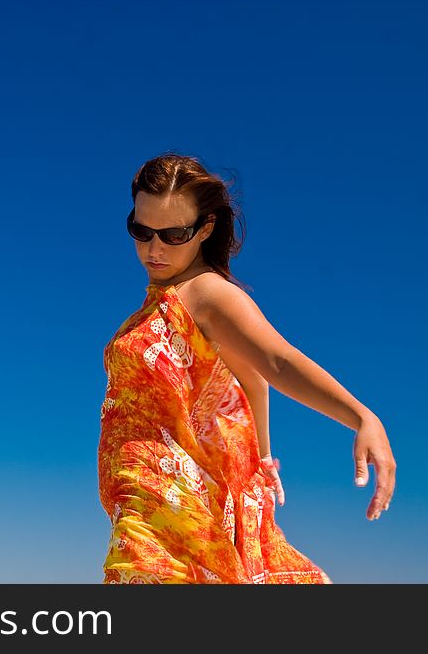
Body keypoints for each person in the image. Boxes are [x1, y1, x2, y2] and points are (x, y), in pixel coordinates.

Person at [97, 153, 396, 584]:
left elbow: (276, 361)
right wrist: (263, 459)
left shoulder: (208, 294)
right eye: (141, 231)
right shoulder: (156, 304)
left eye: (173, 234)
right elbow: (248, 382)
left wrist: (362, 417)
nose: (154, 248)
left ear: (205, 229)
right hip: (145, 506)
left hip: (170, 516)